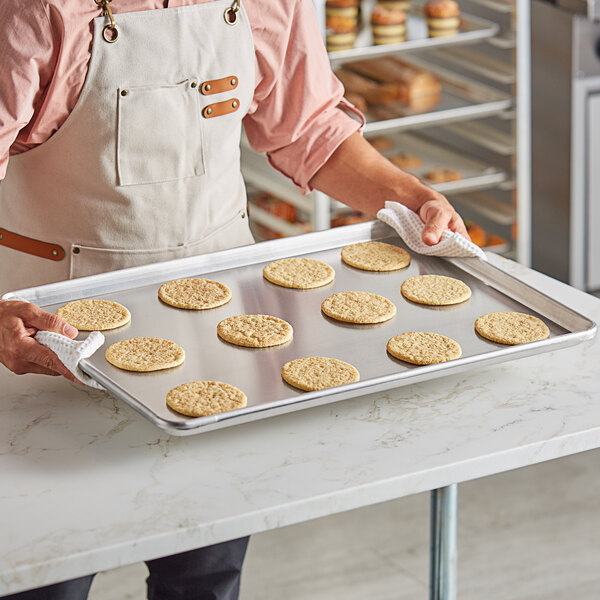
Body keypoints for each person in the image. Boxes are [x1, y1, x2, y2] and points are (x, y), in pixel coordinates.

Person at [0, 0, 469, 598]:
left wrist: (409, 196)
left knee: (206, 577)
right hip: (53, 353)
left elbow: (308, 128)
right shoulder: (33, 11)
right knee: (46, 581)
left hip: (221, 343)